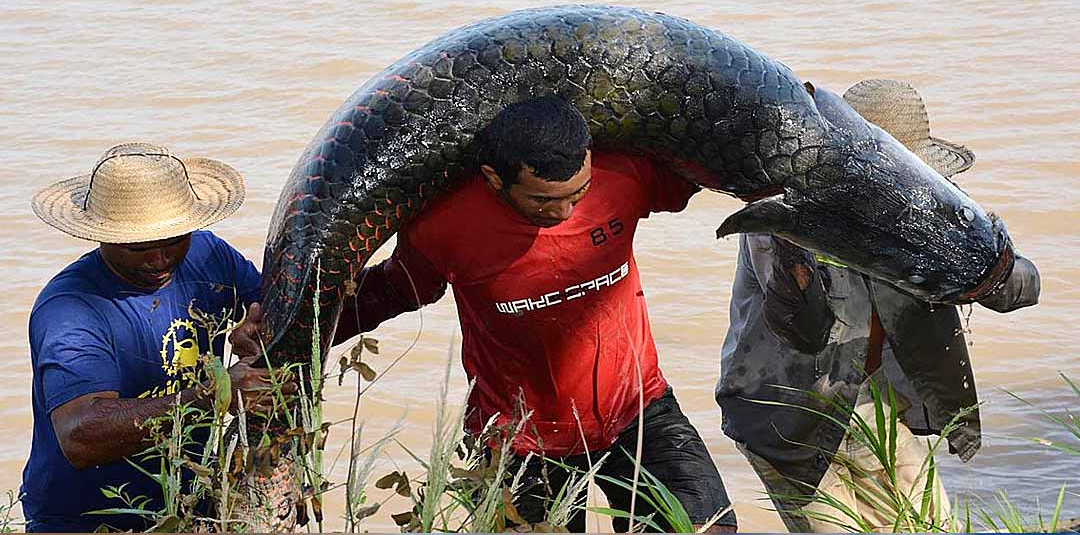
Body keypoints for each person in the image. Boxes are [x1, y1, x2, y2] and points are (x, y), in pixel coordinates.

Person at [332, 97, 737, 532]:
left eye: (577, 194)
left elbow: (712, 167)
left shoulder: (622, 176)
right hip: (518, 441)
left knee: (710, 529)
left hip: (637, 409)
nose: (563, 213)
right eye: (543, 200)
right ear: (494, 179)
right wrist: (287, 337)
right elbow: (393, 290)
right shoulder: (443, 226)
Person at [716, 79, 1041, 532]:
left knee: (934, 527)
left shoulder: (933, 216)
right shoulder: (788, 218)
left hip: (878, 404)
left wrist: (978, 267)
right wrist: (798, 246)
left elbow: (1022, 290)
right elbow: (803, 329)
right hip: (787, 413)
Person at [22, 142, 278, 533]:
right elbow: (80, 434)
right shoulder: (70, 309)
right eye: (138, 248)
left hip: (186, 503)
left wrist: (254, 325)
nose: (159, 260)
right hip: (88, 520)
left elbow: (270, 307)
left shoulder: (208, 253)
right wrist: (216, 395)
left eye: (174, 240)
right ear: (102, 235)